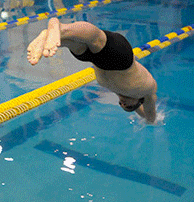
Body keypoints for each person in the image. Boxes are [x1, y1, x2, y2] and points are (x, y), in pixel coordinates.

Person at [27, 18, 158, 123]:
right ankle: (60, 27)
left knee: (75, 47)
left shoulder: (120, 90)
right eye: (128, 106)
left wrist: (132, 108)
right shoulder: (145, 90)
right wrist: (151, 121)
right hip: (120, 59)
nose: (123, 103)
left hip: (93, 59)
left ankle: (48, 35)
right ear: (139, 101)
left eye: (121, 105)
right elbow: (150, 113)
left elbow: (131, 104)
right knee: (96, 39)